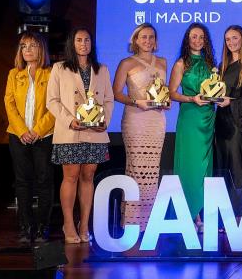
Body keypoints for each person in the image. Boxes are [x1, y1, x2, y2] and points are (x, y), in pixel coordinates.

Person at [47, 27, 114, 244]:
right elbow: (52, 101)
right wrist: (69, 120)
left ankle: (84, 224)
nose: (83, 43)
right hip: (70, 131)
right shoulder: (59, 68)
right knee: (71, 176)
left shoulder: (101, 69)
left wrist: (104, 122)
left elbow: (109, 100)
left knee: (88, 176)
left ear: (91, 43)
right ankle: (68, 223)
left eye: (87, 40)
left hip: (94, 132)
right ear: (72, 43)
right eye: (78, 40)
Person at [112, 23, 167, 232]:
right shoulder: (126, 63)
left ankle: (149, 222)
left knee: (152, 173)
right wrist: (137, 102)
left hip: (156, 120)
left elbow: (162, 91)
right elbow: (116, 93)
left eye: (151, 37)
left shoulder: (162, 62)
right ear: (135, 40)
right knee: (135, 170)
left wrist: (166, 101)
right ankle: (132, 221)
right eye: (143, 37)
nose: (148, 41)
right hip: (135, 120)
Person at [4, 31, 55, 243]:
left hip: (44, 136)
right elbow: (9, 104)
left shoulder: (52, 73)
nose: (27, 50)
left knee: (45, 181)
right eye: (24, 46)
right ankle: (26, 228)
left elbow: (54, 106)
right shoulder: (14, 74)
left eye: (32, 45)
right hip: (18, 136)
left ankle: (43, 226)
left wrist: (37, 131)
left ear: (41, 49)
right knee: (22, 182)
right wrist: (23, 131)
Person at [168, 23, 217, 232]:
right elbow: (171, 93)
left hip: (208, 118)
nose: (197, 40)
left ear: (206, 40)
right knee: (190, 166)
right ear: (187, 39)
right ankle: (192, 216)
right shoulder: (181, 63)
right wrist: (191, 98)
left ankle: (202, 214)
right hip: (190, 117)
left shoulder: (211, 63)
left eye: (201, 37)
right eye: (193, 37)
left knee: (206, 167)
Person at [214, 25, 242, 214]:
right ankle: (222, 213)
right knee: (222, 165)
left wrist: (232, 102)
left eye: (235, 38)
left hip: (239, 122)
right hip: (221, 122)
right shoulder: (222, 66)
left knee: (237, 166)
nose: (231, 42)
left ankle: (238, 214)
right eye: (227, 39)